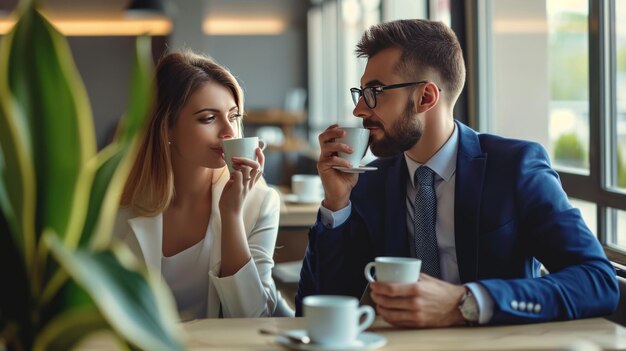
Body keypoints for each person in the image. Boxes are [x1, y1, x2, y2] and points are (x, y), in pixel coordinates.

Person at [296, 19, 618, 327]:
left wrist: (465, 302)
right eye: (361, 92)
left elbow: (597, 281)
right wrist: (336, 204)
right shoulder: (368, 182)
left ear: (426, 97)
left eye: (375, 92)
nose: (359, 110)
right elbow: (315, 307)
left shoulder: (515, 169)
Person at [114, 50, 292, 320]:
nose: (229, 132)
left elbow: (252, 318)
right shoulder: (116, 202)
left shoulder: (260, 202)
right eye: (209, 118)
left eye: (233, 116)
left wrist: (232, 216)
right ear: (167, 127)